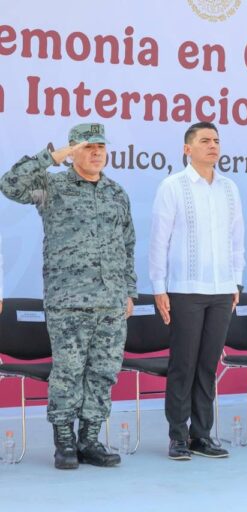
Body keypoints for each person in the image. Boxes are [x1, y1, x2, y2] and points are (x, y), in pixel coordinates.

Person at [0, 123, 136, 469]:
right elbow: (9, 184)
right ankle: (64, 442)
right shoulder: (53, 186)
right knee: (68, 372)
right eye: (88, 147)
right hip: (69, 301)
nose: (96, 153)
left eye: (101, 147)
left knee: (103, 372)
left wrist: (129, 292)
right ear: (73, 150)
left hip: (111, 302)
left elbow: (128, 245)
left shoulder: (116, 193)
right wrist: (52, 156)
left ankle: (89, 440)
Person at [149, 122, 245, 460]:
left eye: (217, 140)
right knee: (184, 364)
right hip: (185, 290)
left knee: (207, 365)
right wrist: (159, 287)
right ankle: (177, 435)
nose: (213, 145)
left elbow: (237, 240)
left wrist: (237, 282)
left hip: (221, 290)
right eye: (204, 140)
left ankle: (201, 435)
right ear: (187, 149)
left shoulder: (229, 188)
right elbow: (159, 240)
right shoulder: (173, 186)